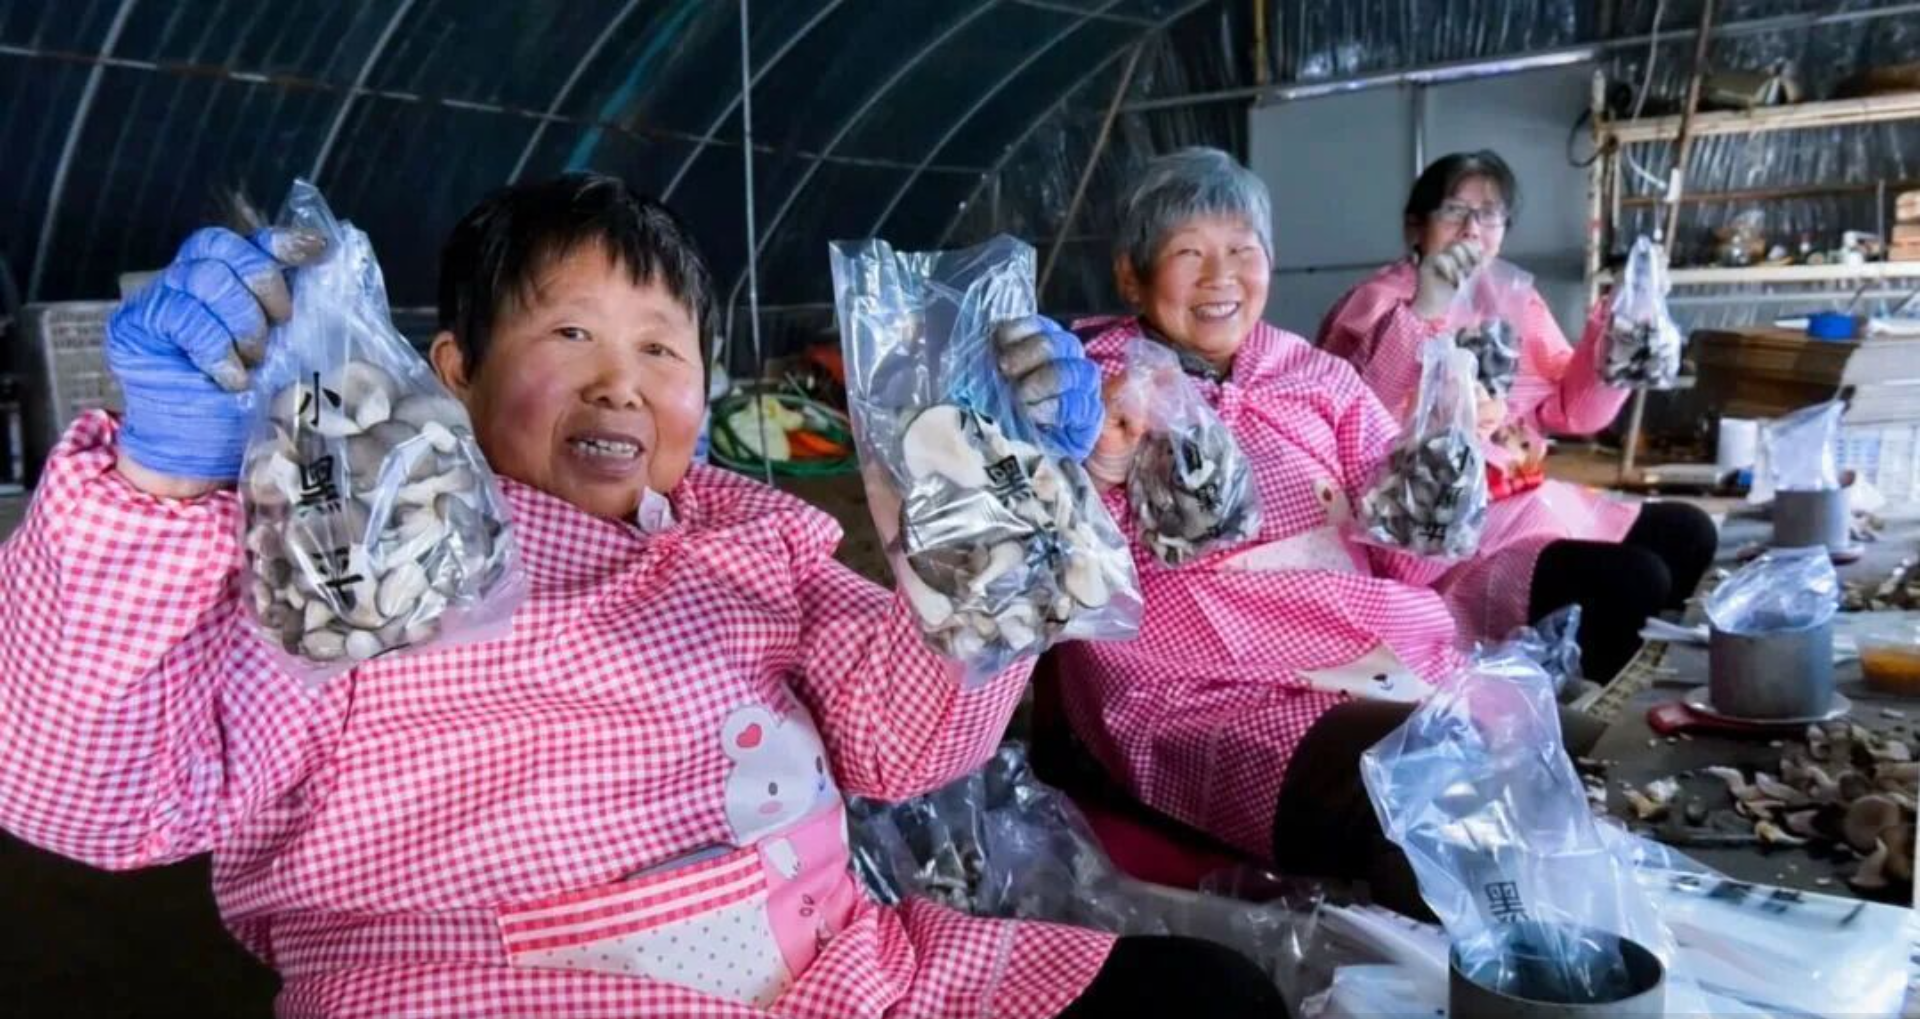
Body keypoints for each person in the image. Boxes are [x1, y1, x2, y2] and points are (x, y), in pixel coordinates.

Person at [0, 173, 1282, 1018]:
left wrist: (989, 513)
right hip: (486, 986)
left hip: (837, 976)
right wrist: (156, 485)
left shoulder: (756, 540)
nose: (622, 383)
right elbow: (93, 793)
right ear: (455, 369)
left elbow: (912, 745)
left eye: (662, 348)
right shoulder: (364, 563)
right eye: (570, 336)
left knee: (1209, 998)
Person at [1052, 148, 1573, 918]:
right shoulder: (1092, 389)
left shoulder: (1314, 376)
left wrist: (1430, 492)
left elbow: (1408, 567)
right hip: (1203, 682)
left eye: (1242, 251)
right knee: (1419, 780)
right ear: (1132, 276)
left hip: (1362, 649)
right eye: (1188, 253)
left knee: (1509, 760)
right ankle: (1475, 967)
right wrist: (1098, 469)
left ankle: (1514, 950)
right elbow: (1061, 575)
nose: (1220, 277)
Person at [1317, 150, 1716, 681]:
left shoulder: (1512, 299)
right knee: (1634, 580)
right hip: (1445, 535)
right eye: (1454, 211)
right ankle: (1573, 697)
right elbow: (1352, 406)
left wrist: (1618, 330)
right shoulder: (1376, 301)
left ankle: (1630, 677)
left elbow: (1571, 412)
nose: (1471, 229)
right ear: (1415, 226)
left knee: (1689, 531)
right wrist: (1425, 310)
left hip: (1526, 498)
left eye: (1489, 215)